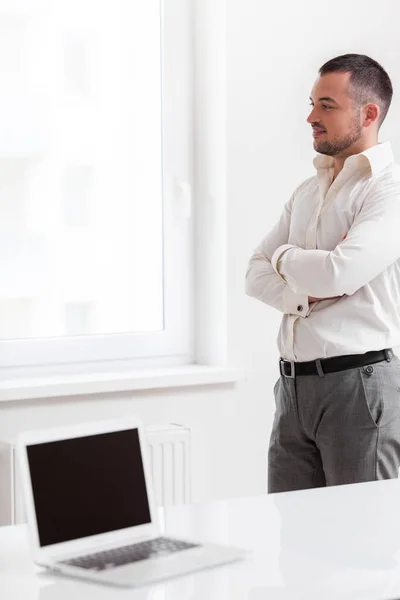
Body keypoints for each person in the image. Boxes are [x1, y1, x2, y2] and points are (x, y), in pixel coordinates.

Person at [245, 53, 400, 494]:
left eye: (327, 106)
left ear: (369, 114)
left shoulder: (389, 190)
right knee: (294, 544)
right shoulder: (309, 191)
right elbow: (253, 273)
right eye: (312, 104)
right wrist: (298, 295)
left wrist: (285, 256)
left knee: (363, 545)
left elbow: (338, 274)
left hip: (359, 387)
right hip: (292, 389)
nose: (311, 117)